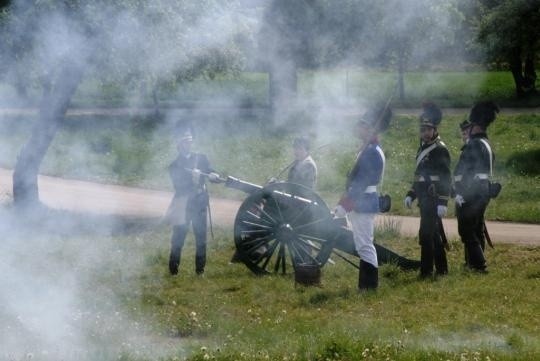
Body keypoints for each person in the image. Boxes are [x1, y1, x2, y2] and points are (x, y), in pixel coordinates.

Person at [333, 104, 392, 291]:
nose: (359, 129)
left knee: (365, 246)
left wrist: (346, 205)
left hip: (364, 202)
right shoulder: (368, 149)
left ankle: (369, 287)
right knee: (362, 245)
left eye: (363, 125)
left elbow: (361, 183)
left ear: (370, 129)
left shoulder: (372, 152)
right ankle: (365, 287)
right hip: (362, 202)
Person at [404, 102, 451, 278]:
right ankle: (442, 269)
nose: (425, 133)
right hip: (424, 198)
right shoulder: (422, 148)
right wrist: (411, 194)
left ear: (435, 129)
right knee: (433, 235)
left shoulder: (440, 150)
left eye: (428, 129)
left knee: (426, 234)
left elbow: (446, 177)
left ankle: (426, 271)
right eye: (422, 130)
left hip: (434, 198)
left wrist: (443, 201)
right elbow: (419, 176)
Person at [166, 121, 220, 275]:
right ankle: (173, 271)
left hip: (199, 202)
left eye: (189, 137)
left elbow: (210, 172)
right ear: (178, 142)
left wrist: (213, 175)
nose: (188, 141)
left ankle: (200, 271)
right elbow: (179, 187)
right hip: (182, 204)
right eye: (184, 138)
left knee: (201, 240)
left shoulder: (201, 158)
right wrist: (192, 180)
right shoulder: (174, 165)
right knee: (178, 239)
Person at [454, 101, 499, 273]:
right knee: (477, 228)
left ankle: (478, 265)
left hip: (472, 191)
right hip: (483, 190)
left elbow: (464, 171)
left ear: (475, 126)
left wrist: (460, 192)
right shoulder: (486, 144)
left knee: (466, 229)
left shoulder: (473, 144)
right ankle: (471, 263)